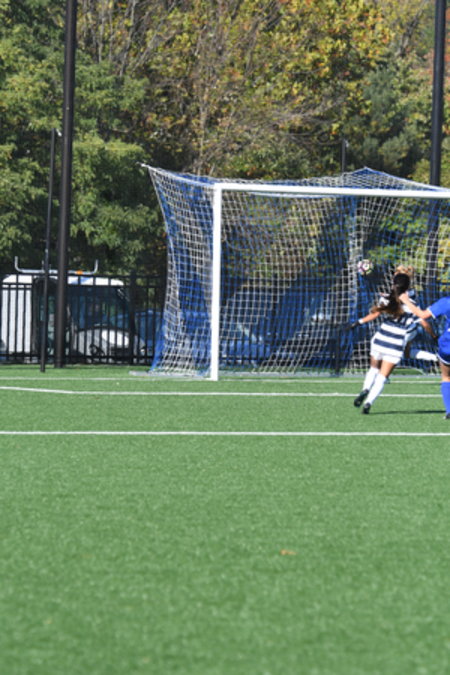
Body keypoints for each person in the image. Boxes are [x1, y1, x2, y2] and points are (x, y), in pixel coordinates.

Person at [350, 272, 437, 414]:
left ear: (393, 284)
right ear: (408, 287)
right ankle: (368, 403)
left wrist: (358, 322)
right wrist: (434, 335)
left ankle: (365, 389)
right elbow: (423, 320)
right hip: (395, 344)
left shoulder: (385, 299)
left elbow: (374, 314)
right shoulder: (412, 305)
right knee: (382, 377)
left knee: (373, 368)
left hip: (380, 339)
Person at [399, 292, 450, 420]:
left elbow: (423, 315)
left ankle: (449, 410)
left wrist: (406, 300)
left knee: (446, 377)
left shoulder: (446, 301)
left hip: (447, 346)